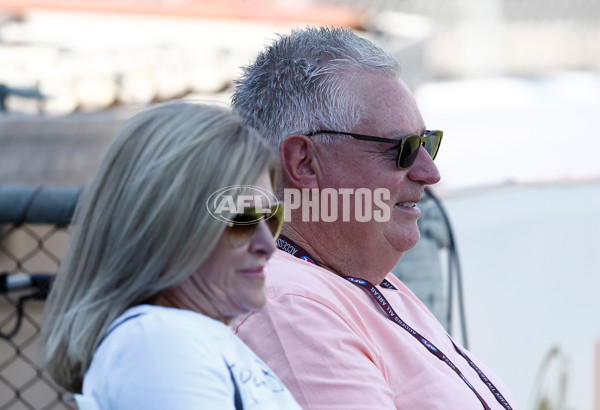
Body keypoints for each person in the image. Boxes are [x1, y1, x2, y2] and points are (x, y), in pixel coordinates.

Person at [231, 27, 518, 409]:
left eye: (427, 142)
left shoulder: (350, 277)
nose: (429, 172)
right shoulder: (289, 302)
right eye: (402, 149)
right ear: (304, 162)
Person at [41, 102, 302, 409]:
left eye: (271, 217)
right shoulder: (158, 342)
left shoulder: (183, 337)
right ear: (167, 226)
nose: (268, 245)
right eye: (241, 220)